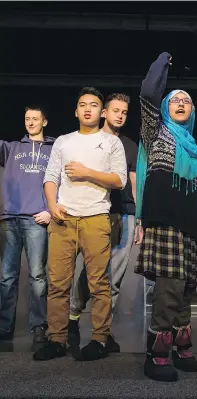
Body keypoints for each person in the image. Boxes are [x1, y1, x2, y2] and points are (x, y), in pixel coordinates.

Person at [33, 87, 127, 361]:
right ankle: (57, 339)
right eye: (83, 105)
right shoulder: (63, 141)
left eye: (94, 105)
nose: (88, 109)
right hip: (63, 219)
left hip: (96, 218)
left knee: (99, 283)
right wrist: (52, 205)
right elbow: (50, 177)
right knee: (58, 283)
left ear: (102, 112)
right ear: (76, 111)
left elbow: (119, 180)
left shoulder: (111, 143)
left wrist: (87, 172)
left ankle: (99, 339)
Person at [135, 52, 197, 382]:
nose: (179, 104)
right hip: (165, 224)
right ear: (166, 108)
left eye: (185, 102)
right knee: (169, 289)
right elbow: (148, 93)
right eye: (174, 100)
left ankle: (181, 346)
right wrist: (163, 63)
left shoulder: (193, 147)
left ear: (192, 111)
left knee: (188, 290)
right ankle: (157, 353)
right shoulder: (157, 133)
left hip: (191, 229)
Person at [68, 93, 138, 353]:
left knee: (114, 278)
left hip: (125, 214)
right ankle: (73, 318)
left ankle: (103, 332)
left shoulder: (130, 145)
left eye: (124, 112)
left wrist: (138, 217)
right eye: (115, 110)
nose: (120, 115)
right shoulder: (89, 141)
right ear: (104, 113)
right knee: (90, 274)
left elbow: (133, 181)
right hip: (95, 213)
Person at [0, 106, 54, 344]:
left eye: (35, 119)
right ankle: (4, 327)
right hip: (10, 218)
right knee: (6, 277)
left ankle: (39, 327)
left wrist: (51, 211)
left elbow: (60, 181)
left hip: (36, 219)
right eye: (27, 119)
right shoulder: (12, 147)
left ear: (44, 121)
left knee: (38, 276)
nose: (30, 122)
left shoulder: (54, 150)